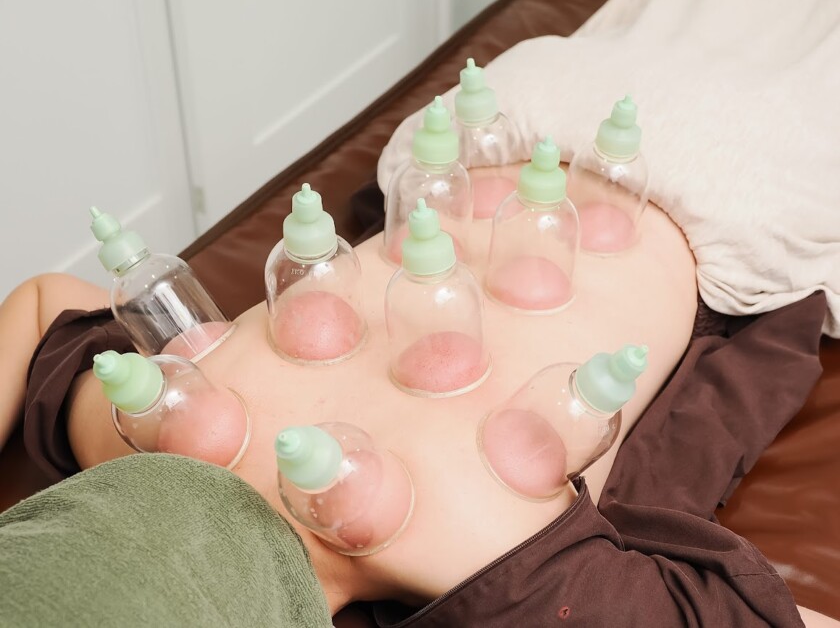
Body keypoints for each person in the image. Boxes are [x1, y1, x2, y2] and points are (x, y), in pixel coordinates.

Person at [0, 193, 835, 626]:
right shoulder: (498, 570)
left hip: (543, 135)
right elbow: (43, 302)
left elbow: (43, 302)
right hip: (728, 210)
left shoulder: (129, 418)